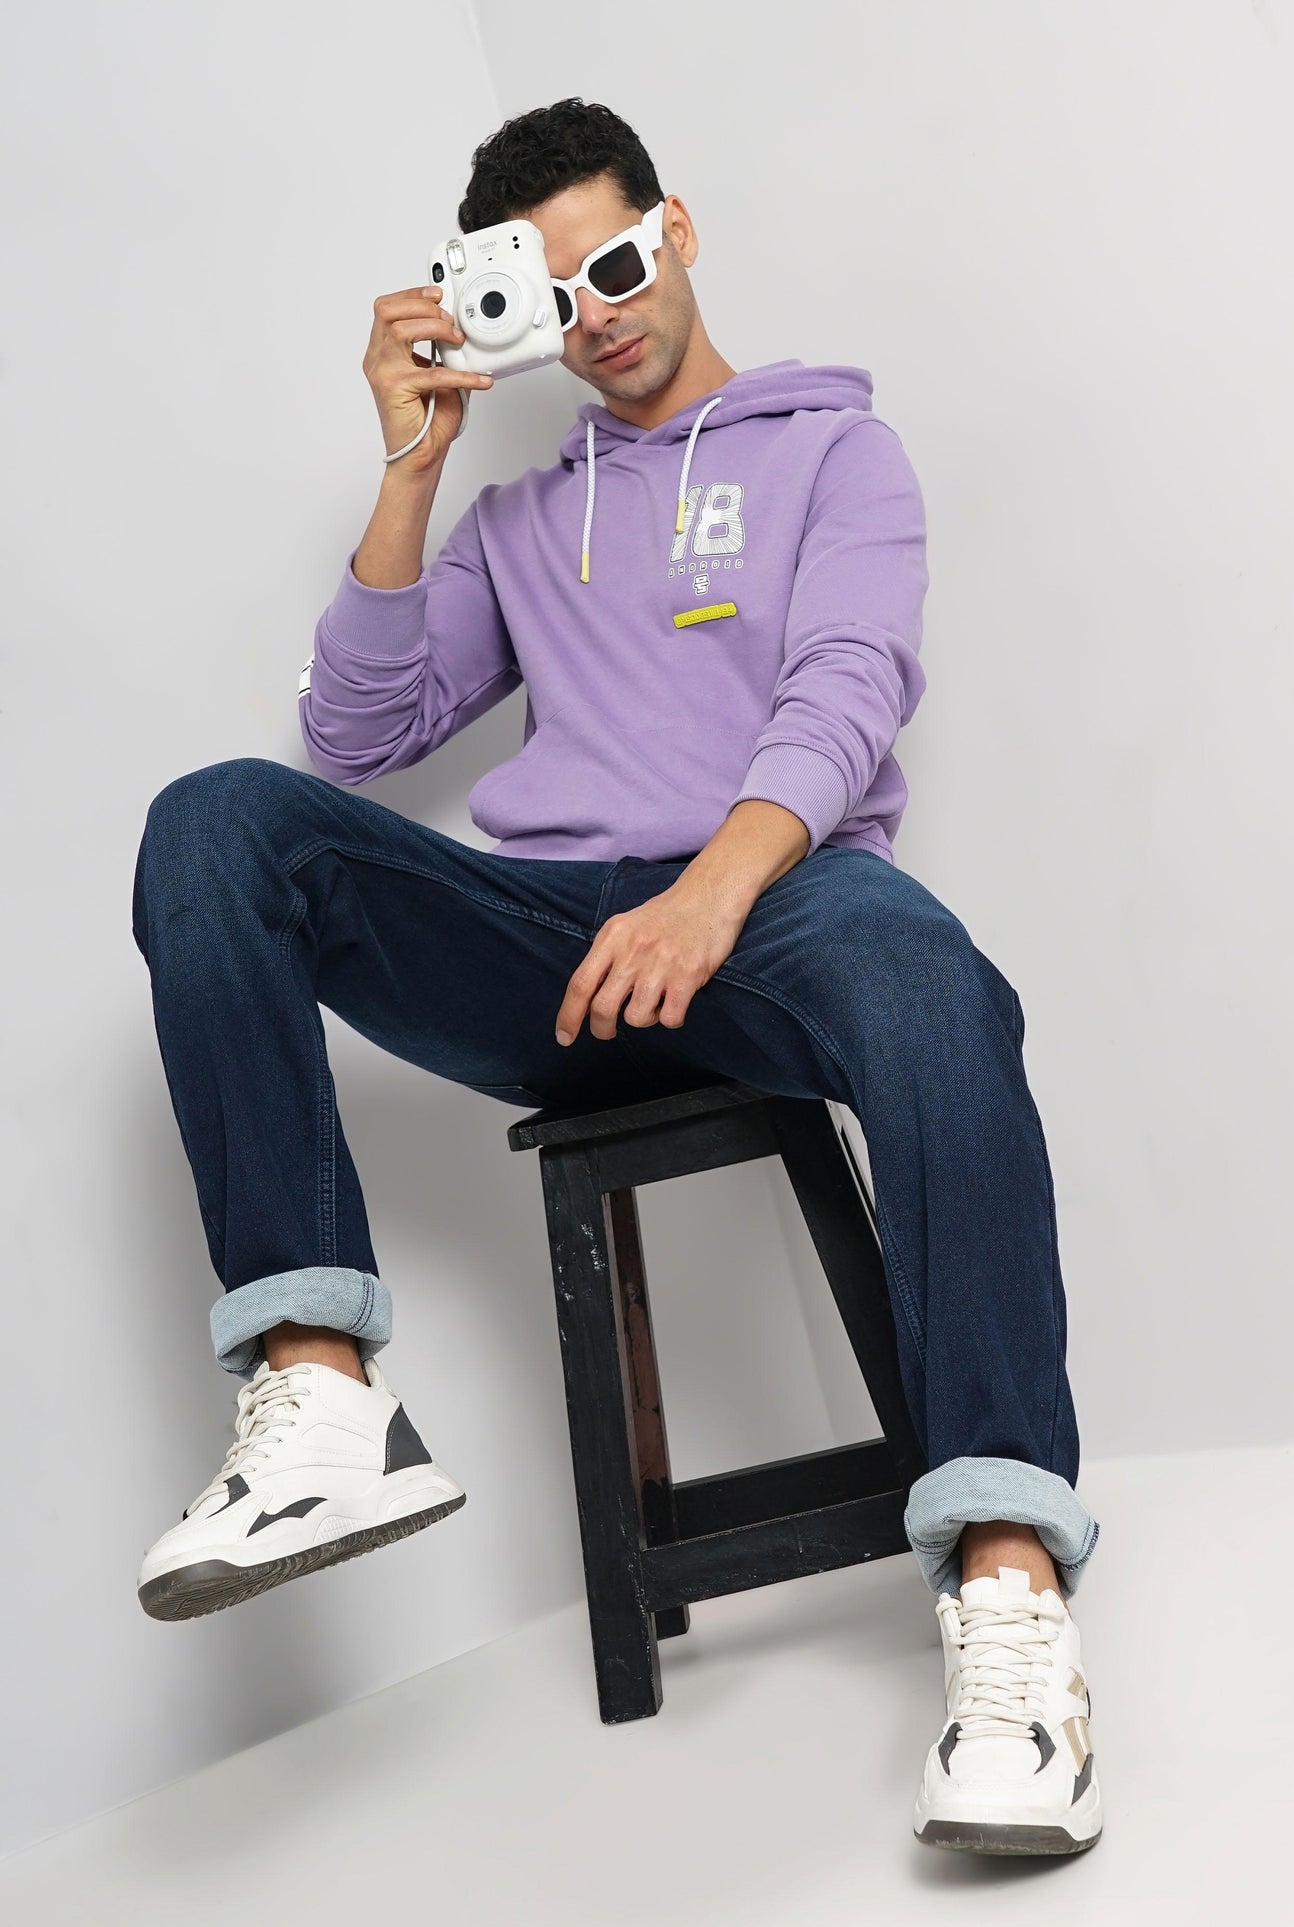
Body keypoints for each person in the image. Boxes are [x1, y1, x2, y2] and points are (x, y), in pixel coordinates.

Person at [129, 97, 1102, 1857]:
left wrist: (709, 897)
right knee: (219, 822)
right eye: (559, 296)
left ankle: (1010, 1601)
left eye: (625, 264)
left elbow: (848, 683)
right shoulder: (522, 518)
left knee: (935, 992)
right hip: (560, 948)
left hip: (778, 901)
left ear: (680, 229)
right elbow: (354, 736)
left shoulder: (836, 453)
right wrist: (412, 466)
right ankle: (320, 1385)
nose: (604, 314)